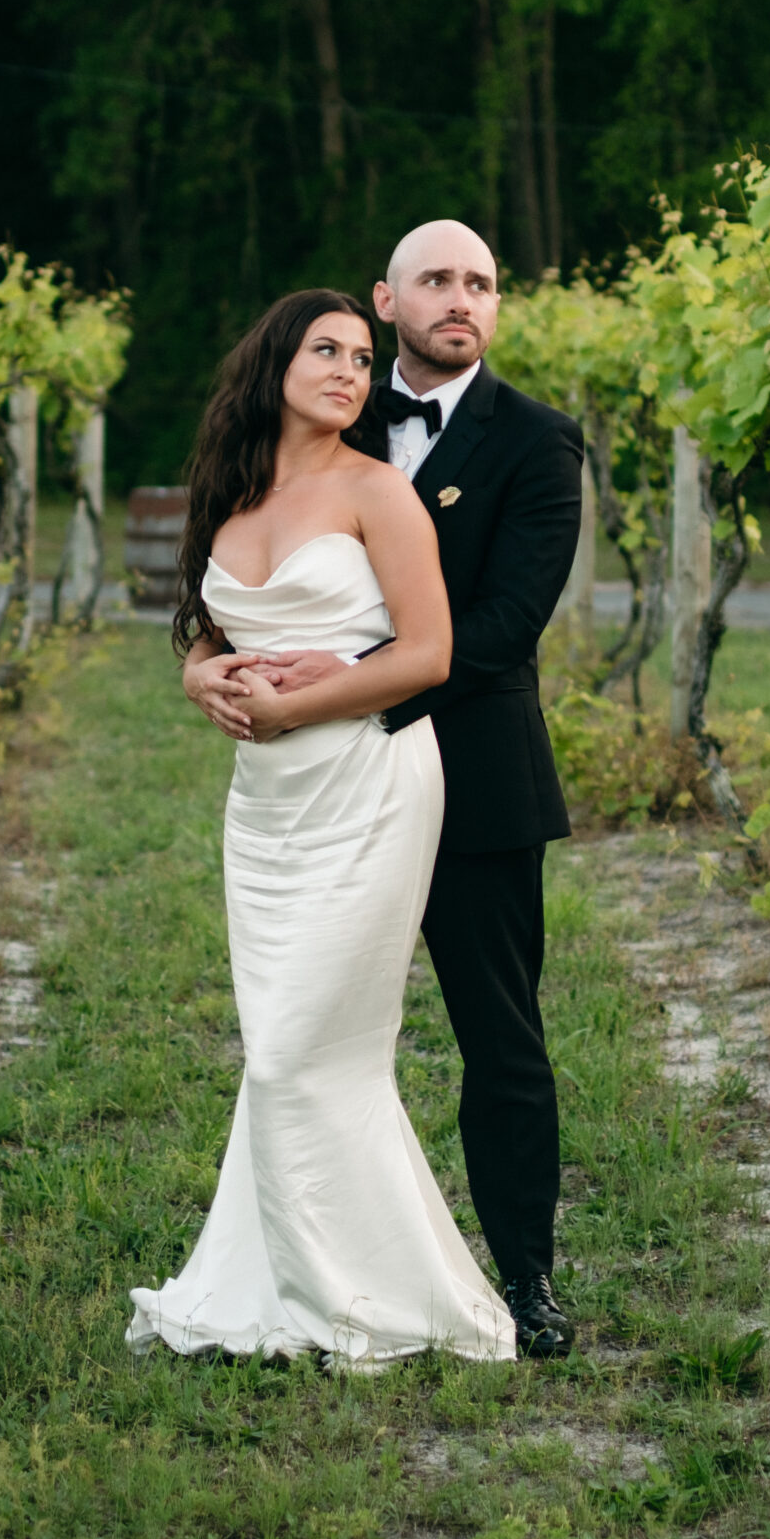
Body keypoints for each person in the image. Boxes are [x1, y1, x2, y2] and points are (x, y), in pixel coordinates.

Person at [186, 225, 584, 1359]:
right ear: (386, 299)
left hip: (473, 782)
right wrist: (213, 669)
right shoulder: (322, 414)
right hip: (309, 795)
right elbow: (234, 592)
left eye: (483, 284)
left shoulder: (541, 443)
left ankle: (529, 1276)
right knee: (305, 1033)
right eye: (438, 281)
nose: (463, 301)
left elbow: (501, 628)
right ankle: (318, 1265)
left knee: (500, 1040)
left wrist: (348, 689)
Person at [129, 289, 516, 1365]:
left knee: (306, 1051)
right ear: (273, 362)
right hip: (266, 809)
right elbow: (206, 632)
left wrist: (299, 703)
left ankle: (349, 1299)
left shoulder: (379, 493)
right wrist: (203, 676)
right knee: (277, 1046)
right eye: (326, 350)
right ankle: (287, 1283)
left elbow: (428, 653)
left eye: (360, 356)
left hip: (368, 781)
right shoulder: (230, 490)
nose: (351, 370)